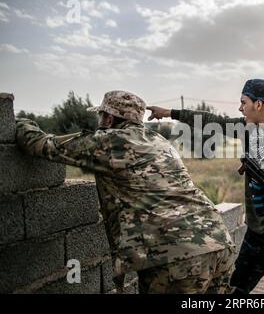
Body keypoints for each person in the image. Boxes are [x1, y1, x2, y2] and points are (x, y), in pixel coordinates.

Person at [15, 90, 235, 294]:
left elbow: (41, 145)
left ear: (109, 119)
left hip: (177, 256)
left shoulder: (111, 140)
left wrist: (17, 122)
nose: (99, 121)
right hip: (219, 242)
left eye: (101, 115)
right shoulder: (160, 141)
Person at [148, 79, 264, 294]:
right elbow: (210, 120)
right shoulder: (247, 127)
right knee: (235, 290)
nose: (240, 107)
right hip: (255, 230)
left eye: (243, 102)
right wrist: (169, 112)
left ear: (259, 105)